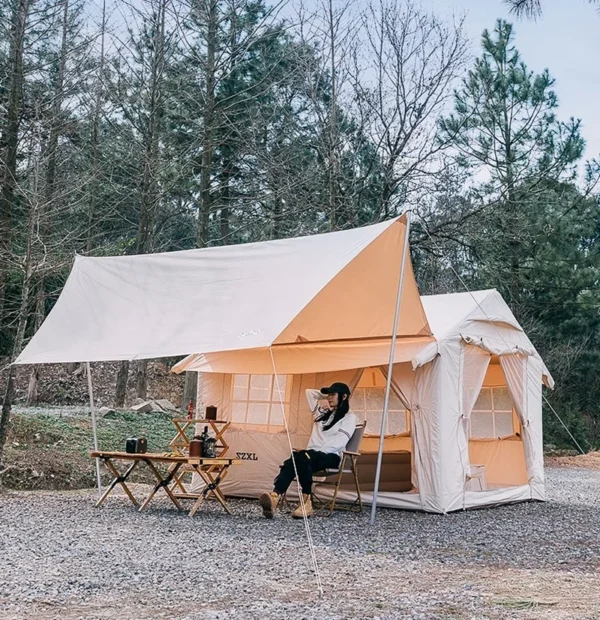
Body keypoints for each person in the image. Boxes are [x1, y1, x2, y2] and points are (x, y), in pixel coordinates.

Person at [258, 382, 357, 519]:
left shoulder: (349, 418)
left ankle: (287, 498)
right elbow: (309, 392)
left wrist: (315, 453)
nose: (329, 398)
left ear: (344, 396)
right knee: (297, 458)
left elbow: (339, 442)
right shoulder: (323, 414)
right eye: (328, 395)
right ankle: (285, 499)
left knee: (300, 457)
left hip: (330, 456)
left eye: (333, 394)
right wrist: (326, 392)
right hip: (310, 456)